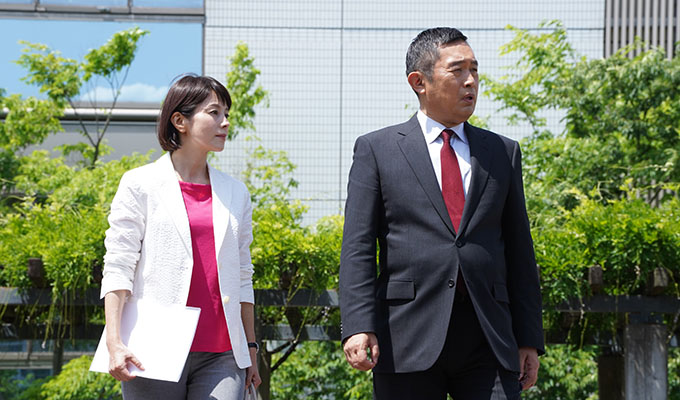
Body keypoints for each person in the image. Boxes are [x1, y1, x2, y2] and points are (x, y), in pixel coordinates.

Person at [339, 27, 544, 399]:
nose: (471, 81)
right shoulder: (377, 150)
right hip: (405, 335)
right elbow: (357, 247)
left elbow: (520, 251)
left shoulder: (502, 152)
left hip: (489, 335)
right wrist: (357, 324)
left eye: (474, 70)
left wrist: (529, 337)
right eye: (457, 70)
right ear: (419, 82)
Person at [101, 74, 261, 399]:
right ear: (180, 121)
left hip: (223, 352)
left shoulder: (236, 193)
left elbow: (243, 276)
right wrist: (114, 342)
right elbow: (118, 265)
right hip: (153, 346)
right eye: (214, 113)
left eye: (226, 113)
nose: (225, 122)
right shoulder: (140, 184)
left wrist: (250, 347)